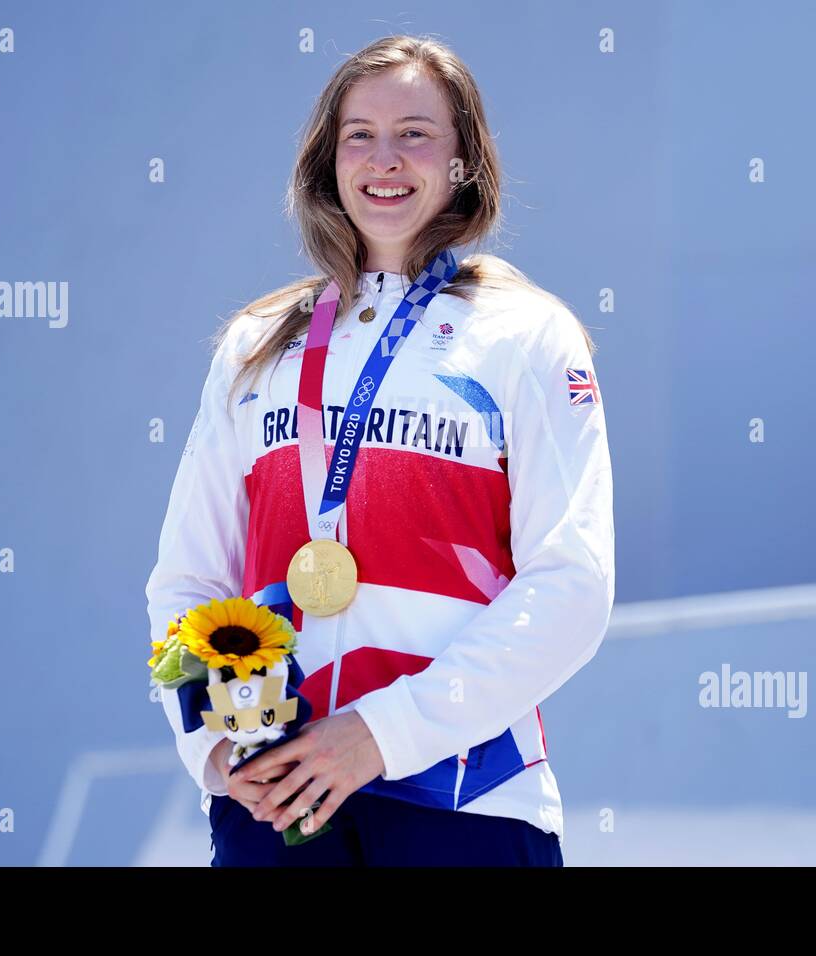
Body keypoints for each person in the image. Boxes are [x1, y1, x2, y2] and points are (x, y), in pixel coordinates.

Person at [145, 34, 614, 866]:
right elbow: (189, 579)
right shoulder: (259, 344)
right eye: (358, 134)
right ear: (327, 161)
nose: (384, 158)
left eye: (416, 133)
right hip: (277, 802)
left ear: (465, 161)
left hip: (465, 798)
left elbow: (572, 583)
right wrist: (219, 751)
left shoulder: (527, 334)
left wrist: (378, 735)